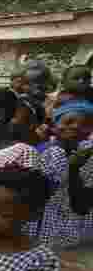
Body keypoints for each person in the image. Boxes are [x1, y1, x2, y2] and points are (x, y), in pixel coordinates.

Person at [40, 99, 93, 248]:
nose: (76, 127)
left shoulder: (89, 158)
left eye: (85, 124)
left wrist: (74, 169)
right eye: (68, 122)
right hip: (42, 229)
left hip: (76, 233)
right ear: (55, 125)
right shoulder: (41, 152)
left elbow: (82, 206)